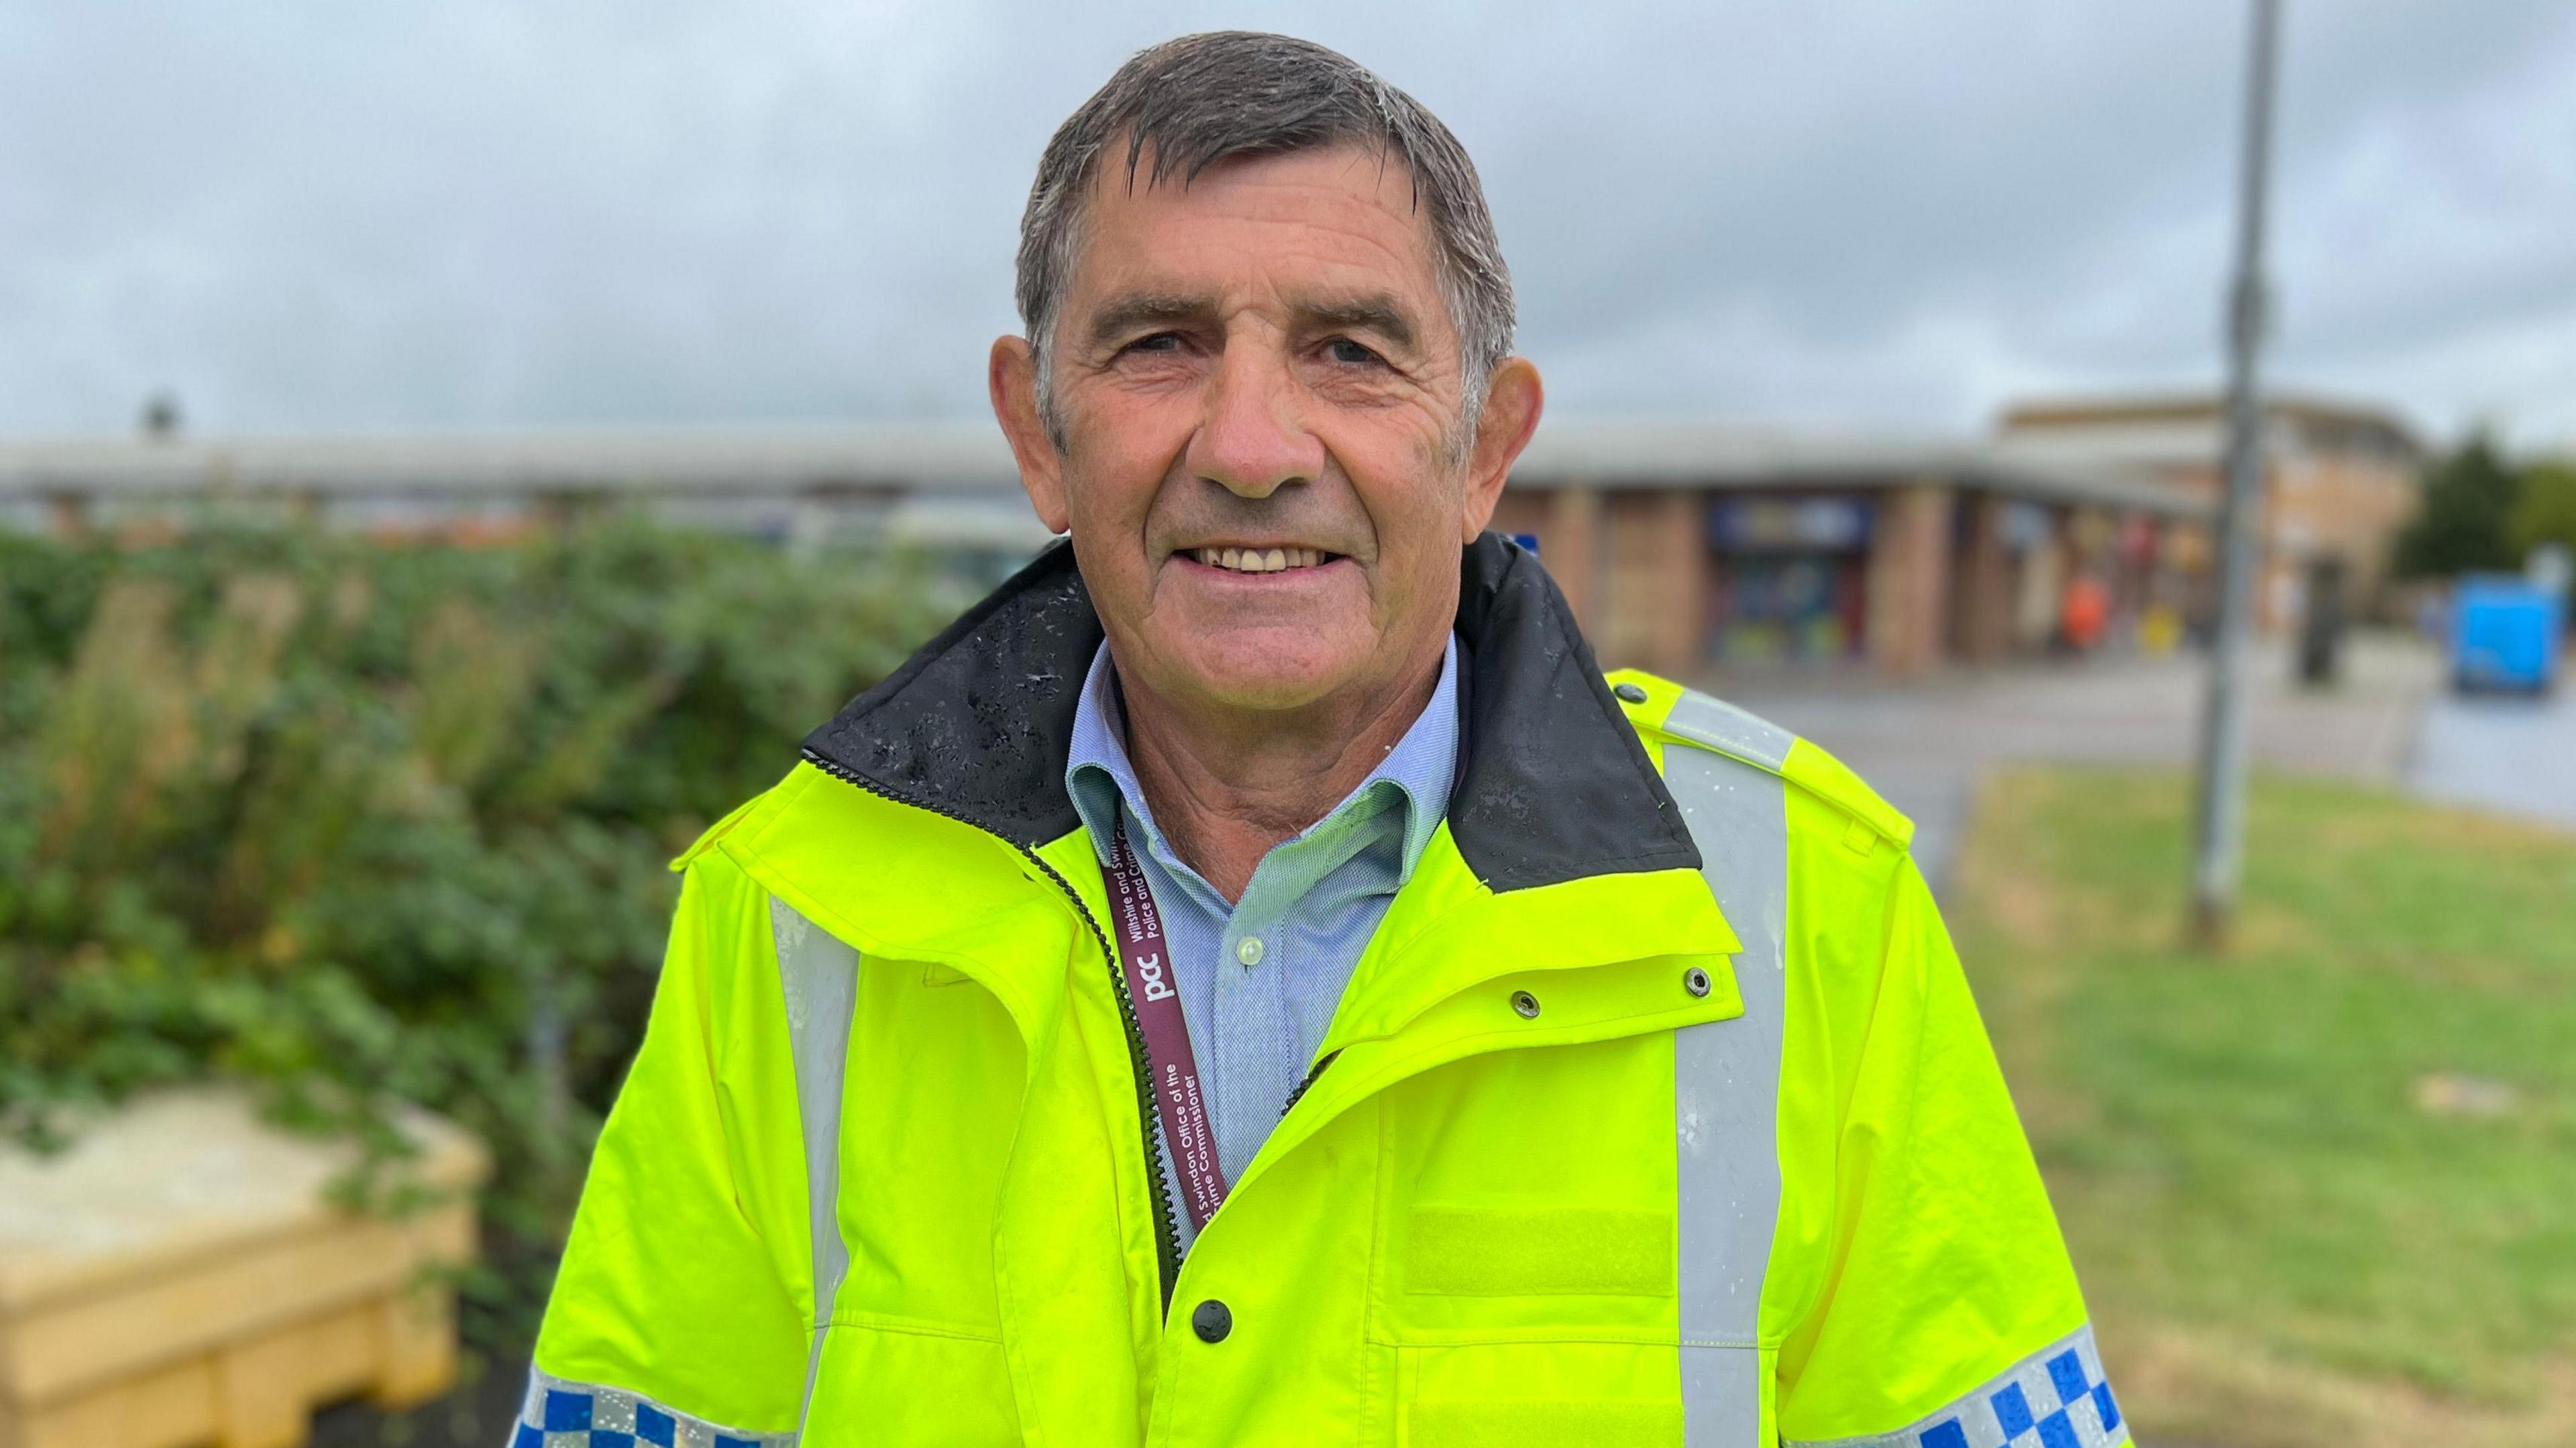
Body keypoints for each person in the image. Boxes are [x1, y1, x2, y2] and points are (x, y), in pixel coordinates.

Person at [515, 32, 2125, 1448]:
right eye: (1159, 346)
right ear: (1037, 436)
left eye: (1351, 352)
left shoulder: (1801, 906)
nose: (1252, 446)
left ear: (1486, 445)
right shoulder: (798, 909)